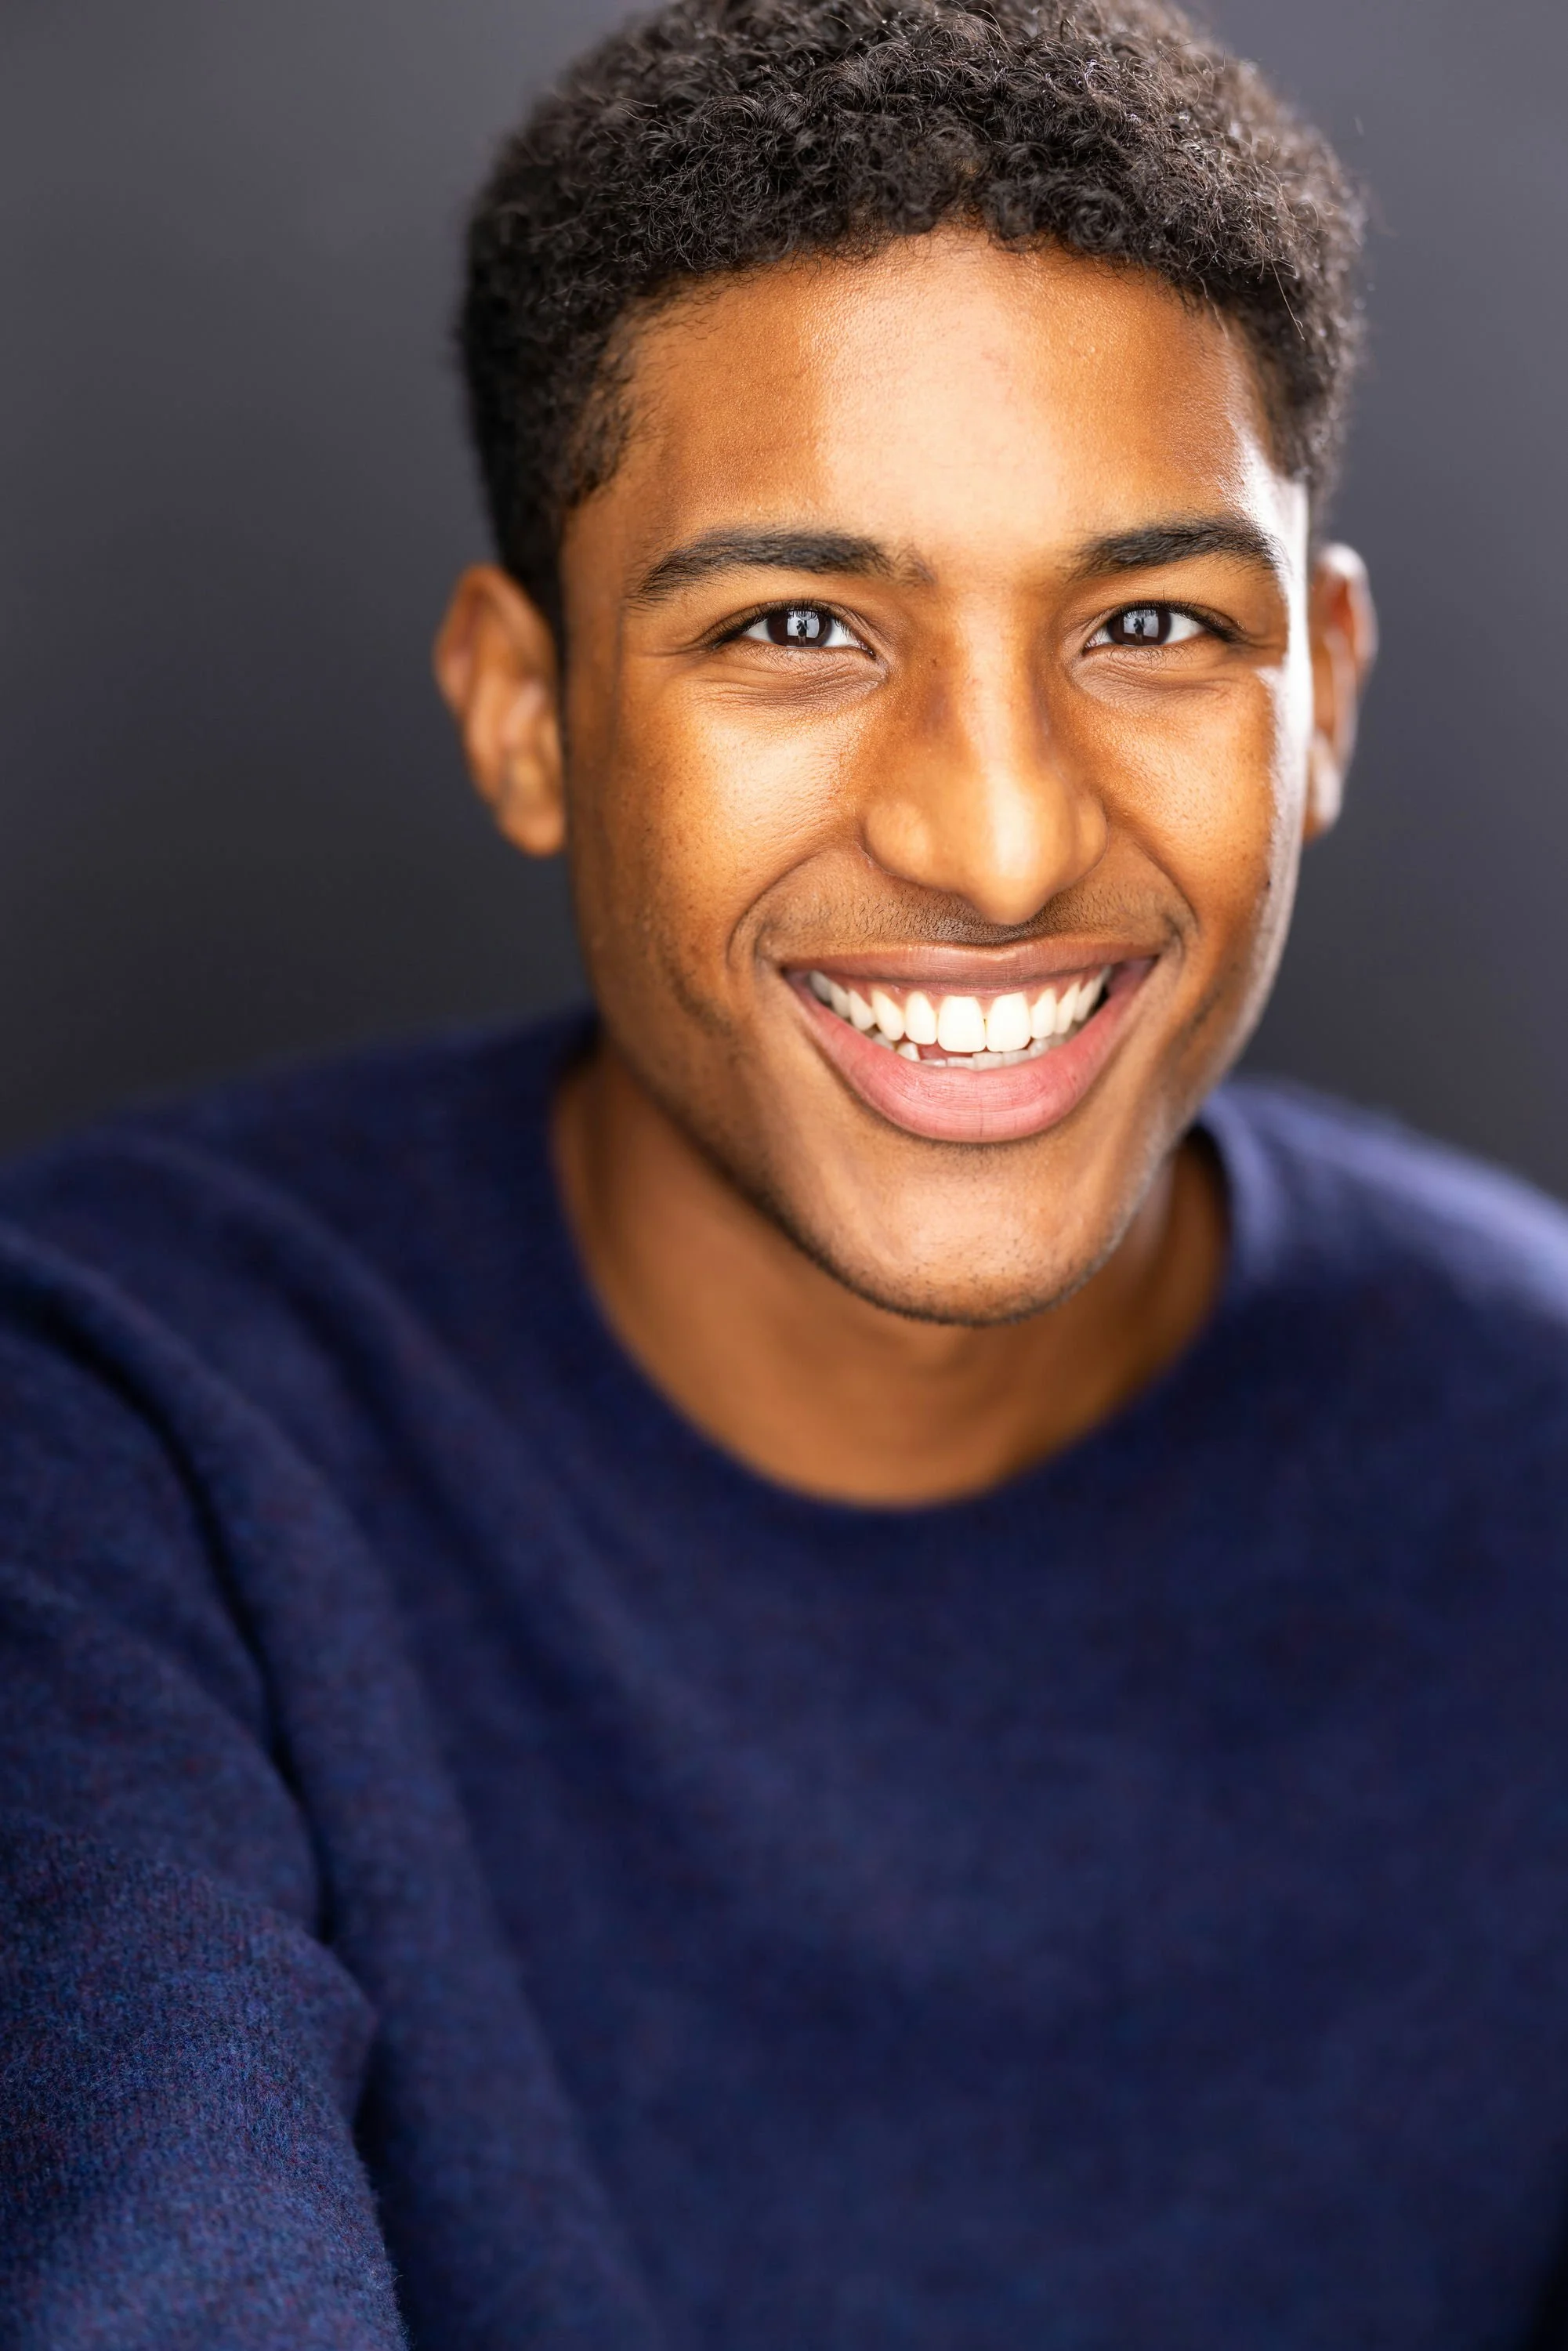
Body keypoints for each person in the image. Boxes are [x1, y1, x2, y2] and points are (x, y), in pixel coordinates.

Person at [5, 0, 1568, 2342]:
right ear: (527, 714)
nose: (1001, 839)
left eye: (1154, 626)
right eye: (796, 630)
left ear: (1321, 699)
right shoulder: (114, 1421)